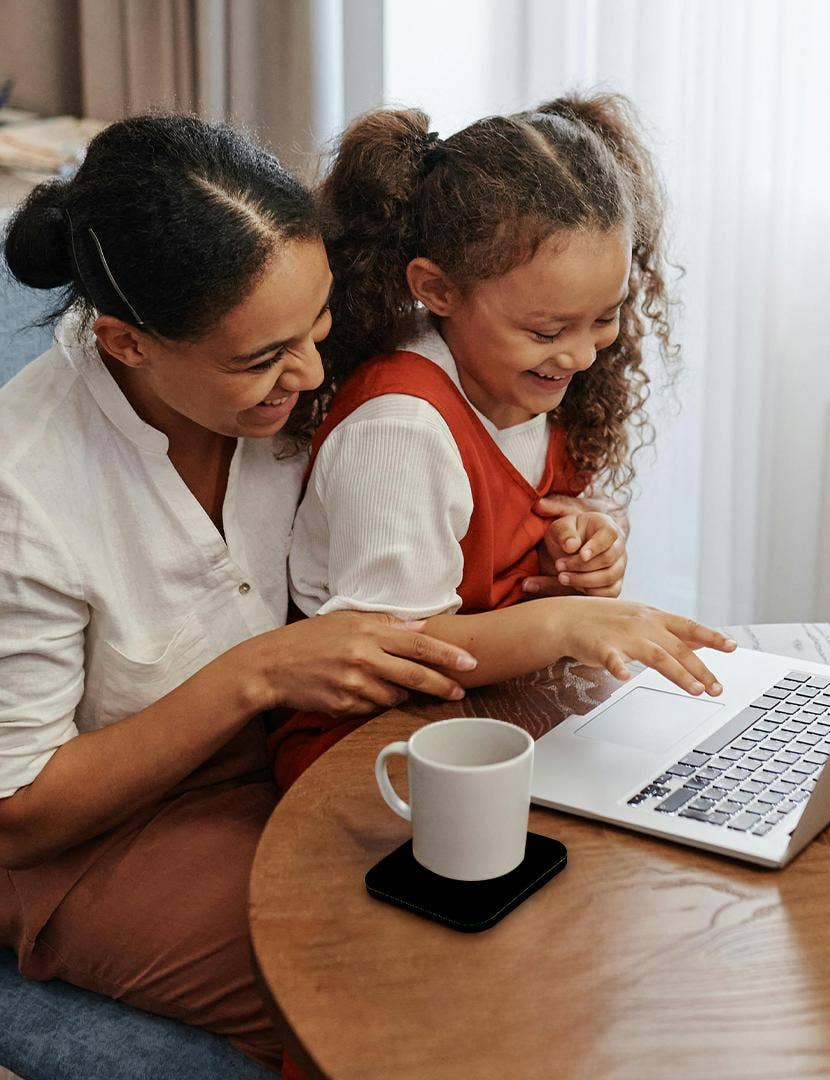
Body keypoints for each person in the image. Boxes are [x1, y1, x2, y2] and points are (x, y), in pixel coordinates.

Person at [0, 115, 478, 1070]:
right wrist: (257, 674)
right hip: (93, 839)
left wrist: (576, 522)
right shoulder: (27, 490)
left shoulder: (294, 384)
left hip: (291, 762)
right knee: (386, 994)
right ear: (126, 344)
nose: (307, 374)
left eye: (319, 327)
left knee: (515, 909)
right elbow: (18, 809)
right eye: (261, 358)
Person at [271, 93, 738, 794]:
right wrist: (566, 624)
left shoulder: (525, 382)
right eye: (549, 331)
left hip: (492, 717)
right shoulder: (399, 430)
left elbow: (532, 516)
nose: (581, 356)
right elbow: (400, 649)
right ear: (436, 289)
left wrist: (591, 539)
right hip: (371, 749)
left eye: (604, 319)